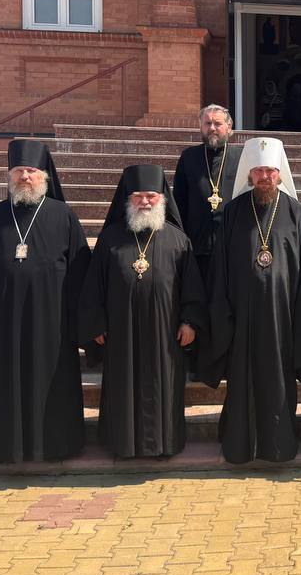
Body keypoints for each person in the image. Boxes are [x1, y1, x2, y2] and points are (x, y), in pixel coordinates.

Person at [0, 140, 91, 464]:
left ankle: (56, 445)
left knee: (52, 383)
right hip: (5, 324)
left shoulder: (63, 215)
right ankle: (5, 446)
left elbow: (81, 273)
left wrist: (82, 322)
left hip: (52, 324)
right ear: (9, 175)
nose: (25, 177)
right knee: (6, 383)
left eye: (31, 171)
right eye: (18, 171)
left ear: (44, 176)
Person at [79, 165, 209, 458]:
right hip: (121, 331)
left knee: (163, 385)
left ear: (162, 199)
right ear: (128, 199)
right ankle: (121, 444)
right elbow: (93, 287)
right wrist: (96, 322)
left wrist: (190, 321)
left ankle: (164, 443)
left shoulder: (179, 240)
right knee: (122, 385)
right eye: (138, 197)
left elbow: (192, 288)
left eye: (151, 196)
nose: (145, 202)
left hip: (165, 333)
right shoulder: (110, 239)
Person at [205, 138, 301, 464]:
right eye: (259, 171)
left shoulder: (296, 213)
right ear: (249, 174)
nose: (265, 177)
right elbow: (220, 269)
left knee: (278, 382)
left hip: (283, 318)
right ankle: (239, 444)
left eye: (270, 171)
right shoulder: (232, 212)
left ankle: (278, 446)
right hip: (242, 316)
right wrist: (224, 313)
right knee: (241, 380)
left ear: (280, 174)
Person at [172, 104, 243, 297]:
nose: (212, 128)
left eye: (217, 124)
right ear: (201, 126)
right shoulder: (188, 157)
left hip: (230, 248)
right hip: (196, 247)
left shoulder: (241, 157)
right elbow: (179, 202)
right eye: (207, 123)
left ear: (229, 127)